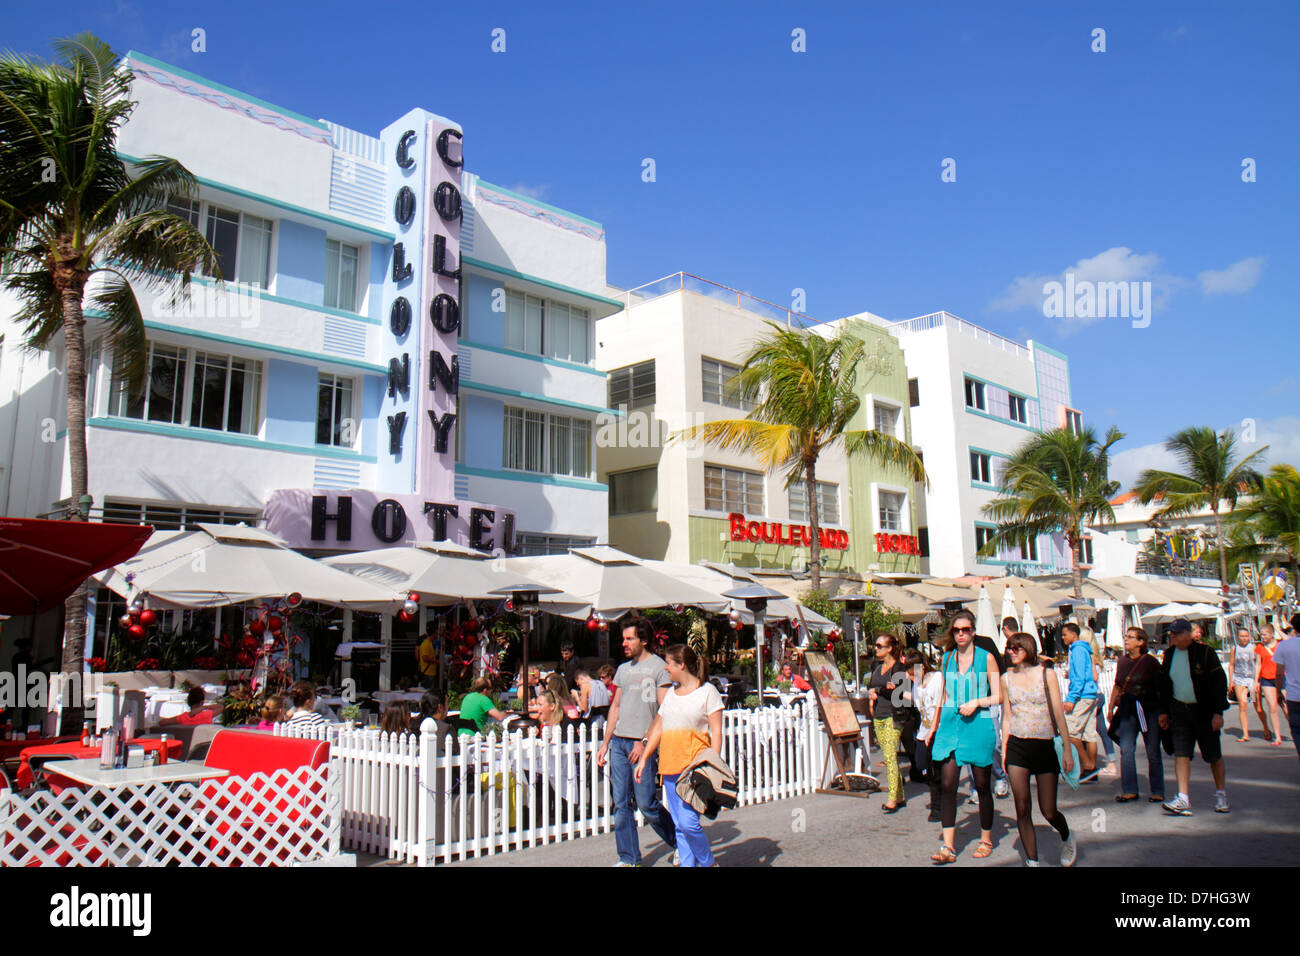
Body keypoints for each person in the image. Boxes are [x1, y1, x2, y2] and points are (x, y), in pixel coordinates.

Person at [596, 616, 678, 867]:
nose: (624, 643)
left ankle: (680, 843)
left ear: (644, 640)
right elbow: (616, 707)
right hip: (619, 744)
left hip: (641, 745)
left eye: (629, 638)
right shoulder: (622, 669)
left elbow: (664, 711)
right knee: (620, 804)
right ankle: (629, 858)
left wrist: (644, 741)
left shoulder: (658, 667)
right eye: (623, 638)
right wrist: (605, 742)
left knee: (647, 804)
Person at [635, 643, 724, 867]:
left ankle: (708, 862)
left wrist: (714, 764)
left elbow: (717, 731)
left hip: (694, 768)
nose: (665, 668)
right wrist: (645, 757)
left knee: (688, 823)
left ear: (681, 665)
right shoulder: (672, 695)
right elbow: (658, 728)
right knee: (679, 826)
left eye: (668, 663)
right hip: (670, 767)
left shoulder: (707, 692)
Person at [926, 611, 1001, 864]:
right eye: (957, 630)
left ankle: (986, 838)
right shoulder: (946, 659)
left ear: (973, 631)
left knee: (981, 786)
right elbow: (943, 696)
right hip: (949, 726)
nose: (961, 634)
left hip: (978, 724)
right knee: (948, 785)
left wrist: (978, 702)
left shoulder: (986, 658)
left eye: (966, 629)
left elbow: (999, 695)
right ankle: (948, 847)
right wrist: (932, 727)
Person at [1000, 632, 1076, 866]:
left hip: (1044, 745)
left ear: (1028, 649)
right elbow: (1007, 717)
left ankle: (1066, 836)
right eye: (1009, 648)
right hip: (1017, 746)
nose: (1011, 652)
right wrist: (1004, 751)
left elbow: (1058, 712)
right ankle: (1032, 861)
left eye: (1016, 648)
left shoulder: (1047, 674)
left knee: (1048, 809)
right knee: (1022, 806)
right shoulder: (1006, 678)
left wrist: (1067, 749)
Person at [1157, 619, 1229, 816]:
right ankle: (1183, 798)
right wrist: (1164, 711)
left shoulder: (1206, 653)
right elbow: (1165, 685)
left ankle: (1221, 795)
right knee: (1181, 754)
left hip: (1204, 712)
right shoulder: (1170, 654)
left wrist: (1218, 712)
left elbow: (1219, 683)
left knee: (1213, 755)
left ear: (1189, 634)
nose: (1173, 637)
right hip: (1180, 711)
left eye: (1177, 633)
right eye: (1171, 633)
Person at [1107, 627, 1165, 802]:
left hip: (1148, 709)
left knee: (1152, 750)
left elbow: (1161, 689)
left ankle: (1157, 790)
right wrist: (1110, 708)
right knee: (1126, 750)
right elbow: (1118, 685)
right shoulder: (1122, 661)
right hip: (1127, 710)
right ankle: (1130, 789)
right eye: (1126, 637)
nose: (1126, 640)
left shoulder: (1150, 662)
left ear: (1141, 642)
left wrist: (1163, 712)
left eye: (1131, 637)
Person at [868, 633, 909, 812]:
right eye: (876, 646)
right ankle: (899, 795)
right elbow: (872, 685)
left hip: (894, 715)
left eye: (879, 646)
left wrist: (881, 690)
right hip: (878, 714)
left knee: (891, 757)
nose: (876, 649)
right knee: (888, 756)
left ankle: (892, 797)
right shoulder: (877, 667)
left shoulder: (899, 668)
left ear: (889, 648)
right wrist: (875, 691)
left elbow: (902, 694)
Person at [904, 648, 944, 821]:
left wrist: (934, 730)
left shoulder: (937, 678)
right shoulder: (916, 685)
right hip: (923, 730)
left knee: (935, 770)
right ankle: (941, 791)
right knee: (920, 763)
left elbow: (938, 705)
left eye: (913, 673)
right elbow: (915, 700)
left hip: (938, 729)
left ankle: (937, 807)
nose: (911, 677)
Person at [1060, 622, 1101, 783]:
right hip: (1090, 694)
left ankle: (1088, 765)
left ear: (1074, 635)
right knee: (1089, 734)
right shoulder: (1085, 649)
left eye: (1065, 634)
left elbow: (1079, 678)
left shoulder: (1076, 650)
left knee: (1070, 732)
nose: (1063, 638)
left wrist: (1071, 698)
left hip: (1082, 696)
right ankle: (1090, 770)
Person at [1229, 627, 1268, 742]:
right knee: (1242, 706)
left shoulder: (1255, 648)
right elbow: (1231, 664)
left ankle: (1266, 728)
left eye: (1246, 636)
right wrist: (1231, 680)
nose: (1244, 638)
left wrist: (1257, 680)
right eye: (1242, 636)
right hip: (1239, 679)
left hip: (1252, 679)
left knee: (1258, 707)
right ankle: (1245, 734)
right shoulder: (1234, 648)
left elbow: (1259, 664)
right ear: (1238, 637)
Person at [1271, 623, 1300, 764]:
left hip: (1294, 695)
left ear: (1294, 628)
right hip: (1293, 695)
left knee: (1297, 729)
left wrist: (1277, 691)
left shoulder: (1283, 646)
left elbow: (1279, 673)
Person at [1254, 625, 1284, 747]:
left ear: (1272, 634)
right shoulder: (1259, 648)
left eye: (1265, 634)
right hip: (1266, 679)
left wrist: (1277, 628)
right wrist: (1256, 680)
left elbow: (1288, 640)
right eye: (1262, 634)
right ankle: (1277, 736)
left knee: (1285, 706)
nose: (1263, 637)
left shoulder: (1280, 645)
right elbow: (1258, 664)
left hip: (1281, 678)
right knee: (1272, 707)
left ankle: (1295, 730)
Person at [416, 625, 440, 690]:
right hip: (427, 674)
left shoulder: (430, 643)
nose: (437, 635)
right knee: (429, 692)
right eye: (436, 633)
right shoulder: (426, 644)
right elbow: (424, 658)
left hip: (431, 673)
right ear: (433, 634)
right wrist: (436, 661)